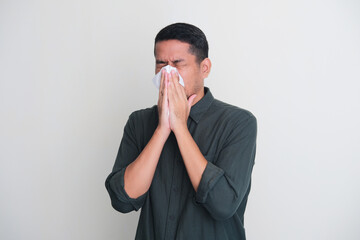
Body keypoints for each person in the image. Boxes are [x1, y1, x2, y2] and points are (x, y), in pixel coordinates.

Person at [105, 22, 257, 240]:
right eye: (161, 64)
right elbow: (122, 200)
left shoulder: (238, 122)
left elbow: (223, 204)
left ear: (204, 68)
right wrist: (162, 129)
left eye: (177, 64)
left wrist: (180, 127)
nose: (168, 73)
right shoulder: (139, 122)